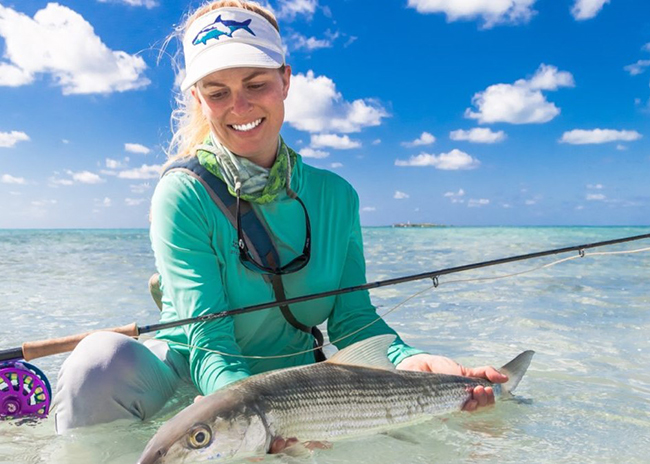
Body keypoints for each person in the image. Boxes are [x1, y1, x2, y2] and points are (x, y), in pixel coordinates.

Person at [53, 0, 506, 445]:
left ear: (285, 80)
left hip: (295, 387)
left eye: (256, 84)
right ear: (198, 98)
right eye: (217, 92)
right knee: (95, 362)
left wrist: (412, 362)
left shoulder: (336, 196)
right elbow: (209, 342)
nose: (240, 105)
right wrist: (246, 423)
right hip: (196, 379)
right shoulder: (183, 194)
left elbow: (355, 321)